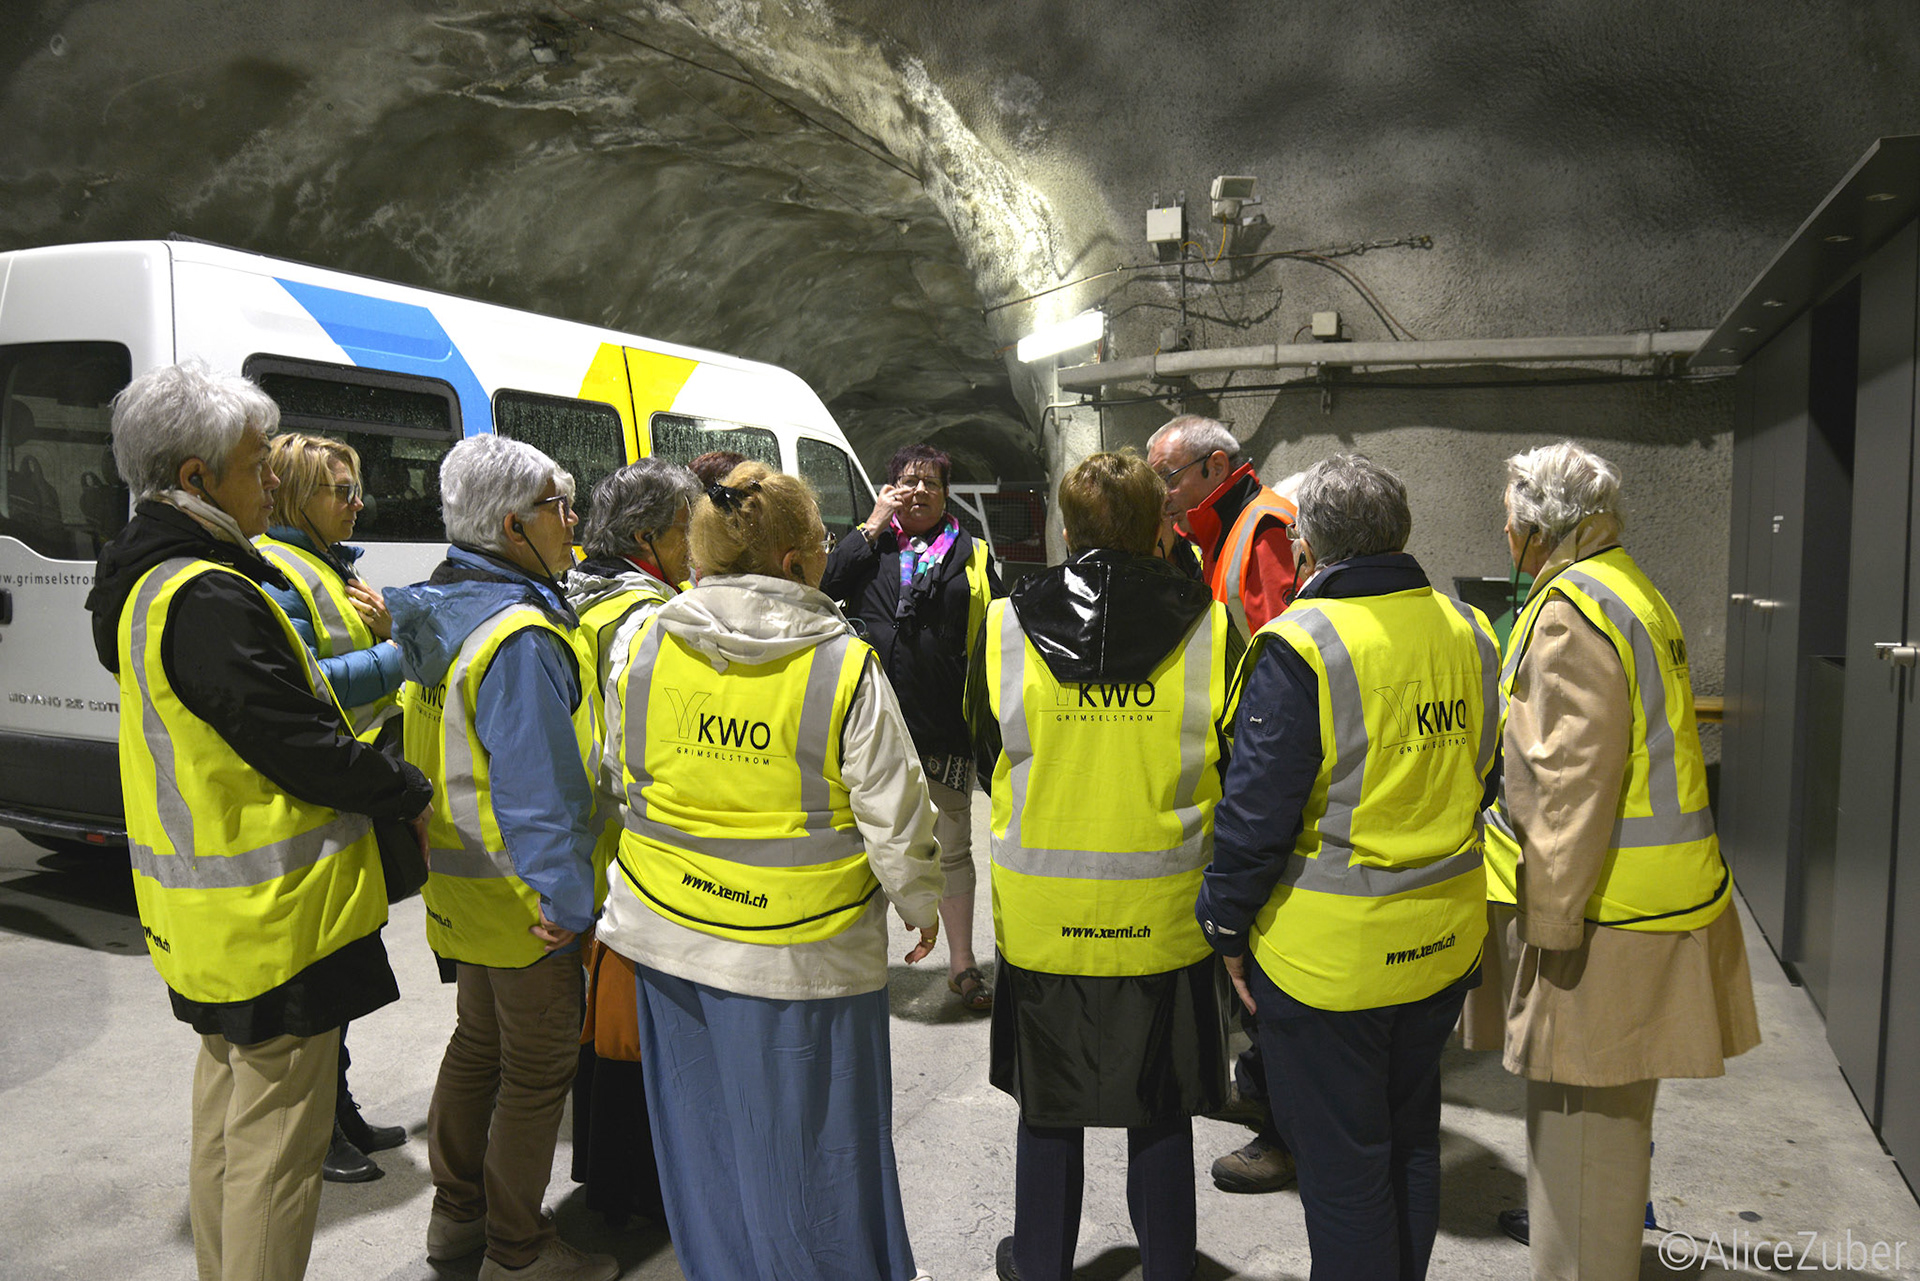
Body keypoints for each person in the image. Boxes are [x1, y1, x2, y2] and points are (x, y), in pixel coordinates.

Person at [84, 362, 432, 1281]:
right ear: (197, 478)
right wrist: (405, 787)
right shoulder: (205, 594)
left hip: (212, 920)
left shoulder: (148, 582)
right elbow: (300, 742)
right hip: (276, 919)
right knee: (276, 1158)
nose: (270, 478)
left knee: (228, 1128)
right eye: (254, 464)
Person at [598, 461, 943, 1281]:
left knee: (705, 1149)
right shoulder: (843, 665)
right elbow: (894, 812)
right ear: (794, 562)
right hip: (802, 955)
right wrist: (919, 899)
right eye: (824, 541)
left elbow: (618, 774)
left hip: (667, 941)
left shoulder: (642, 642)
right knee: (818, 1162)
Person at [1196, 453, 1499, 1281]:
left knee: (1342, 1169)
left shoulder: (1301, 645)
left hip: (1331, 964)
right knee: (1410, 1138)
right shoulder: (1468, 628)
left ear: (1307, 545)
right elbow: (1486, 772)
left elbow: (1255, 818)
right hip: (1442, 943)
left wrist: (1224, 923)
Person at [1495, 442, 1760, 1281]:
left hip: (1601, 926)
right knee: (1606, 1150)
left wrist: (1547, 930)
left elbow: (1565, 789)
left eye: (1510, 522)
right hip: (1653, 908)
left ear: (1539, 526)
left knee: (1579, 1156)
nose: (1506, 537)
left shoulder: (1572, 611)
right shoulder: (1632, 588)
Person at [971, 451, 1235, 1281]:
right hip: (1162, 916)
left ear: (1066, 526)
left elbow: (988, 758)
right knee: (1161, 1105)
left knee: (1049, 1103)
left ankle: (1042, 1261)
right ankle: (1166, 1265)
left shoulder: (1006, 624)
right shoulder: (1212, 623)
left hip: (1045, 914)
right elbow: (1237, 760)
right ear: (1158, 525)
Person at [386, 434, 618, 1281]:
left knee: (475, 1048)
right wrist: (566, 902)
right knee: (536, 1070)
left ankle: (457, 1222)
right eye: (562, 507)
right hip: (529, 909)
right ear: (515, 526)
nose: (573, 522)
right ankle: (518, 1251)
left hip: (462, 891)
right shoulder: (519, 637)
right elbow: (540, 795)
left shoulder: (442, 611)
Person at [1146, 414, 1300, 1190]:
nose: (1162, 495)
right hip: (1239, 769)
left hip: (1263, 776)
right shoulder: (1216, 533)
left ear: (1213, 467)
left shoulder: (1260, 531)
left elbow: (1285, 665)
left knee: (1260, 957)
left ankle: (1283, 1131)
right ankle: (1263, 1087)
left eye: (1169, 478)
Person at [255, 431, 410, 1184]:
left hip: (350, 788)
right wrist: (395, 652)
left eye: (355, 489)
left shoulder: (323, 562)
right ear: (290, 495)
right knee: (321, 979)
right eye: (338, 490)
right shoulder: (278, 569)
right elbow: (302, 681)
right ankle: (321, 1131)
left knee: (345, 969)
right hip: (316, 797)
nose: (356, 503)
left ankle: (338, 1108)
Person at [561, 457, 699, 1227]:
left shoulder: (581, 597)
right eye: (686, 528)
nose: (696, 543)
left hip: (586, 841)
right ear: (648, 537)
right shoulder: (648, 618)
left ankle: (611, 1177)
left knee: (602, 1024)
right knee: (630, 1034)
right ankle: (630, 1194)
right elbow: (633, 751)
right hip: (629, 849)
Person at [821, 443, 1000, 1012]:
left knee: (952, 843)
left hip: (942, 718)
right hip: (871, 718)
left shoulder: (970, 552)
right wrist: (871, 525)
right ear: (888, 490)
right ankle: (862, 962)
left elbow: (991, 626)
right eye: (905, 481)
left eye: (929, 482)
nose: (917, 490)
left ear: (947, 493)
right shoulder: (871, 545)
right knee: (865, 838)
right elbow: (824, 584)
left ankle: (963, 964)